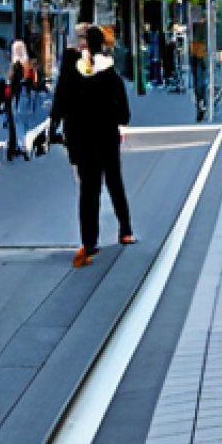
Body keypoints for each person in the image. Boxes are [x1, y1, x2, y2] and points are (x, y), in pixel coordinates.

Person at [50, 25, 135, 268]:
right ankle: (125, 230)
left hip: (81, 139)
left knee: (89, 190)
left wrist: (56, 126)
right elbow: (124, 115)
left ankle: (89, 242)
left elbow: (60, 102)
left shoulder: (70, 74)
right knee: (114, 182)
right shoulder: (110, 75)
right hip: (106, 137)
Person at [0, 61, 28, 160]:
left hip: (11, 108)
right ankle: (14, 148)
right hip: (14, 109)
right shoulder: (15, 84)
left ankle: (13, 148)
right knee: (15, 128)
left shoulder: (8, 83)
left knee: (13, 128)